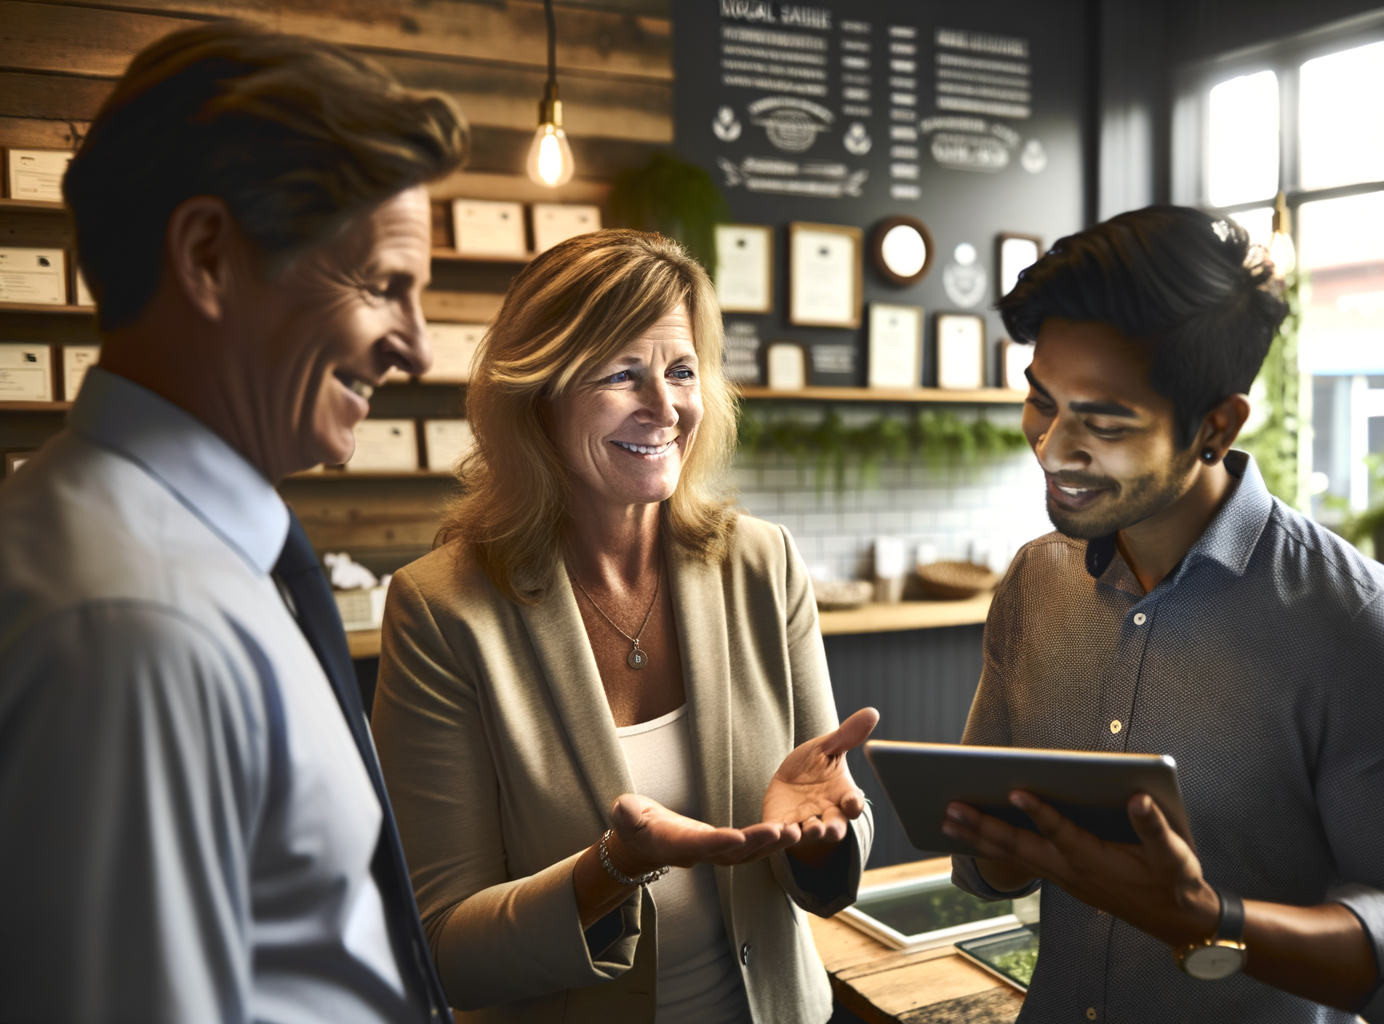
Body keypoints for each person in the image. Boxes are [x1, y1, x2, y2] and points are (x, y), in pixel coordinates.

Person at [0, 23, 466, 1023]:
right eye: (383, 285)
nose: (417, 349)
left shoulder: (185, 560)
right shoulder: (133, 624)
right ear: (208, 255)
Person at [941, 206, 1384, 1024]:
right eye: (1041, 401)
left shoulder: (1363, 627)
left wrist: (1206, 922)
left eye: (1105, 421)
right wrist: (1001, 847)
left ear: (1215, 426)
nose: (1053, 447)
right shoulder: (1034, 583)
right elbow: (990, 867)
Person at [371, 229, 876, 1024]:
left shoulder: (763, 562)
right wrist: (611, 868)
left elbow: (831, 818)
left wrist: (819, 836)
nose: (665, 406)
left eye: (680, 370)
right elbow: (441, 949)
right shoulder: (441, 610)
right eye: (620, 375)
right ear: (538, 395)